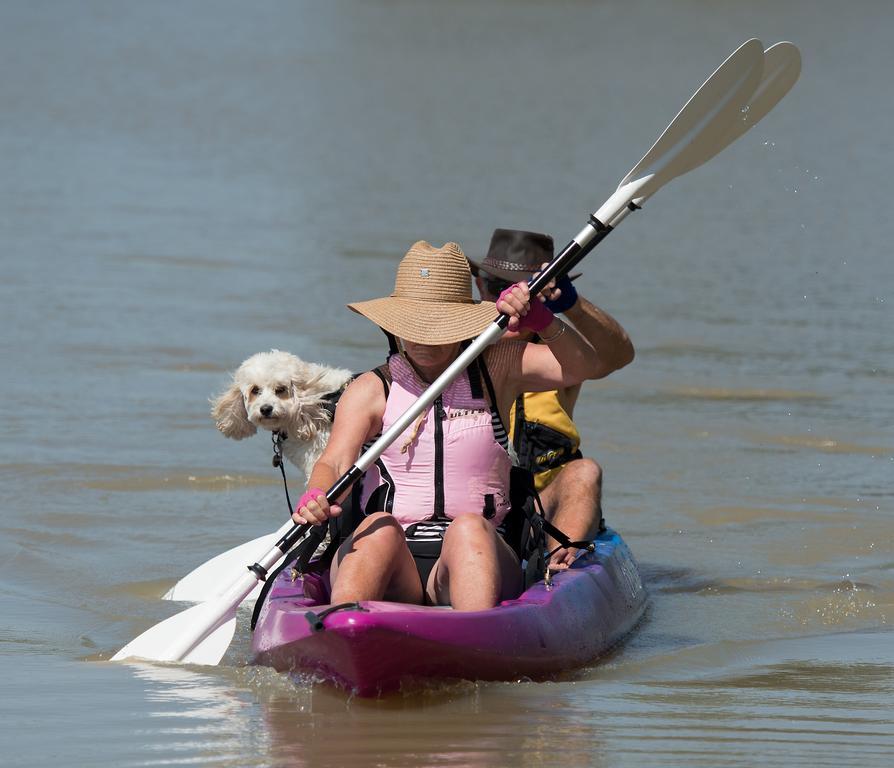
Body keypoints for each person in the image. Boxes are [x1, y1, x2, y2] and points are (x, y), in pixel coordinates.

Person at [291, 240, 608, 611]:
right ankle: (342, 638)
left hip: (479, 550)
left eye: (438, 326)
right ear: (395, 326)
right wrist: (317, 494)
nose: (425, 339)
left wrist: (547, 322)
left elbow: (592, 366)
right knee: (377, 527)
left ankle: (478, 643)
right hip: (398, 562)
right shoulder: (370, 389)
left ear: (461, 325)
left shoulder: (499, 368)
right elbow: (334, 461)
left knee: (468, 528)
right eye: (415, 326)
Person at [468, 228, 634, 568]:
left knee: (585, 471)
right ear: (480, 285)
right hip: (476, 505)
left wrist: (571, 305)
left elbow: (619, 356)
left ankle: (557, 571)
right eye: (499, 287)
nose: (512, 299)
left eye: (526, 292)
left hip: (548, 506)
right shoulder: (453, 346)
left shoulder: (562, 354)